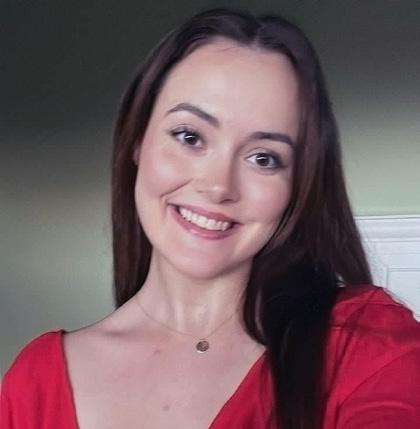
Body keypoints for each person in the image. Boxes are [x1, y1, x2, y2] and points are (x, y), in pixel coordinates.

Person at [1, 8, 420, 429]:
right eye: (189, 136)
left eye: (263, 158)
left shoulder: (366, 343)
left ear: (298, 187)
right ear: (137, 140)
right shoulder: (35, 382)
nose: (219, 186)